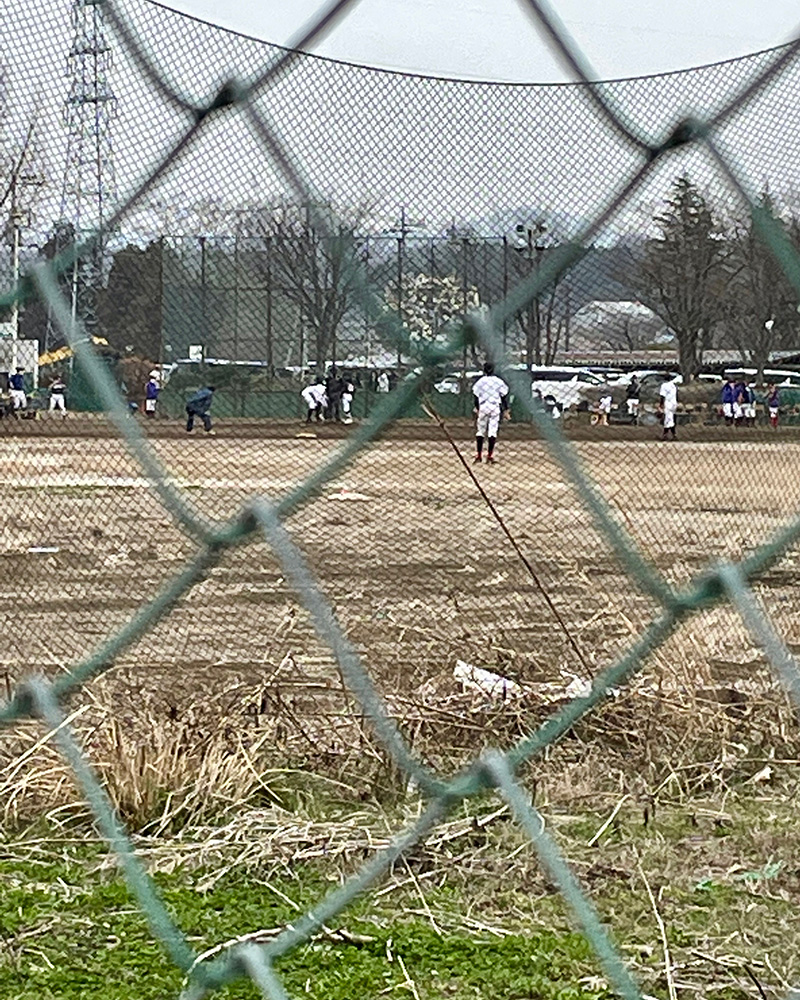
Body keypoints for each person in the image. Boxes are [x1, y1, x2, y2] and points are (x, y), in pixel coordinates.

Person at [472, 361, 509, 464]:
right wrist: (506, 409)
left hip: (483, 406)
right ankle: (490, 455)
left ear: (484, 370)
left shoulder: (480, 381)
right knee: (492, 431)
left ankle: (479, 455)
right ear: (493, 370)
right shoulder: (498, 381)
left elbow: (475, 395)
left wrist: (477, 407)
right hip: (494, 406)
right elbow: (504, 395)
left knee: (480, 430)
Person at [658, 374, 678, 440]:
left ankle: (665, 435)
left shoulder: (664, 385)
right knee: (670, 418)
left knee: (667, 419)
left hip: (668, 403)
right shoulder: (673, 385)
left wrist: (661, 404)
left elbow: (662, 396)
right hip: (674, 403)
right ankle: (673, 434)